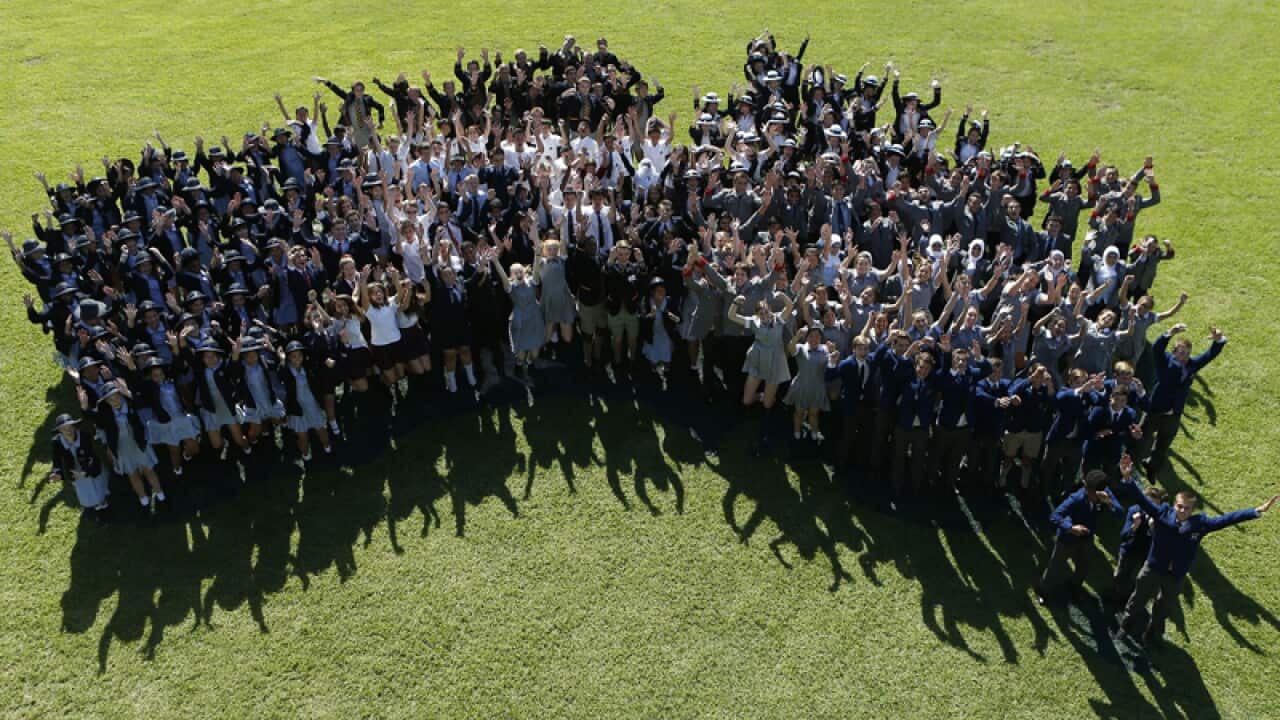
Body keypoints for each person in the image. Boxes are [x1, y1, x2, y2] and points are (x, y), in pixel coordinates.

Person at [1116, 455, 1278, 648]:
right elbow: (1141, 500)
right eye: (1179, 506)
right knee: (1138, 598)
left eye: (1186, 508)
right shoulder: (1161, 514)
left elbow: (1226, 519)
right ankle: (1126, 626)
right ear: (1174, 505)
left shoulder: (1200, 524)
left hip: (1175, 575)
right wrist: (1127, 478)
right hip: (1153, 567)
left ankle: (1152, 636)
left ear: (1192, 510)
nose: (1182, 511)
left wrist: (1255, 511)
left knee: (1163, 607)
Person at [1141, 324, 1226, 477]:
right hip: (1156, 409)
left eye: (1187, 353)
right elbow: (1156, 349)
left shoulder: (1191, 365)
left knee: (1163, 444)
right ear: (1174, 353)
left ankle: (1151, 467)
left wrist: (1218, 340)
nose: (1184, 357)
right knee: (1141, 435)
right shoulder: (1165, 360)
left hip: (1174, 414)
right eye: (1181, 353)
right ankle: (1127, 457)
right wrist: (1170, 333)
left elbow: (1209, 356)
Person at [1034, 469, 1123, 605]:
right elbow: (1055, 516)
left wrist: (1109, 503)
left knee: (1084, 566)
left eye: (1090, 490)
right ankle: (1043, 590)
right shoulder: (1077, 499)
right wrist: (1070, 528)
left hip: (1086, 539)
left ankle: (1075, 587)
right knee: (1056, 566)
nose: (1086, 491)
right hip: (1067, 539)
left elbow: (1120, 513)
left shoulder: (1106, 495)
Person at [1113, 484, 1168, 606]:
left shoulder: (1161, 517)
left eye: (1154, 505)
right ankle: (1117, 597)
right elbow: (1124, 536)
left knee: (1141, 579)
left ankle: (1133, 599)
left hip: (1146, 553)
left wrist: (1154, 529)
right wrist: (1135, 526)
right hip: (1130, 549)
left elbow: (1163, 543)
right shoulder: (1134, 511)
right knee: (1121, 575)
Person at [48, 413, 110, 518]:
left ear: (73, 426)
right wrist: (57, 473)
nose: (68, 431)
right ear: (59, 431)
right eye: (64, 429)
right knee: (84, 491)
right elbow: (57, 461)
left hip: (90, 467)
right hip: (74, 470)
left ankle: (105, 508)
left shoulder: (84, 436)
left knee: (97, 488)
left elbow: (92, 457)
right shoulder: (57, 443)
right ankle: (95, 507)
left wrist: (85, 473)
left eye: (70, 427)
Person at [783, 326, 833, 444]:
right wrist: (797, 336)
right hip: (802, 386)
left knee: (814, 413)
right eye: (811, 336)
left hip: (818, 387)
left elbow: (831, 366)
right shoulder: (801, 348)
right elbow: (790, 348)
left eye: (817, 336)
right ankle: (796, 433)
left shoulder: (826, 349)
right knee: (799, 412)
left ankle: (814, 433)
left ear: (821, 337)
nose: (814, 338)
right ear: (806, 337)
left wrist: (832, 352)